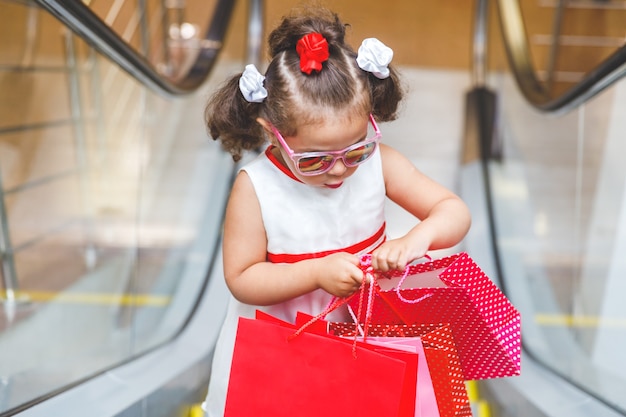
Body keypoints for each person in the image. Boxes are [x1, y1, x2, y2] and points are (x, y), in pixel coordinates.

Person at [201, 6, 471, 416]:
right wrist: (315, 273)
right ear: (271, 132)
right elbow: (241, 278)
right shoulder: (256, 188)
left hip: (372, 331)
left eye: (356, 148)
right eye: (314, 160)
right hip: (285, 343)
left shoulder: (380, 163)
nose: (340, 168)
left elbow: (452, 211)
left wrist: (414, 240)